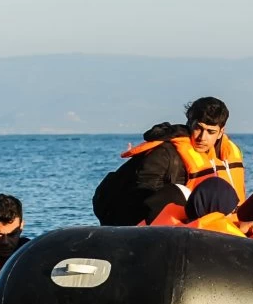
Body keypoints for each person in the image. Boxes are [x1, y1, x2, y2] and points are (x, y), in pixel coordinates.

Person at [92, 97, 244, 226]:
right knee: (178, 192)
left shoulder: (223, 155)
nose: (202, 137)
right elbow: (141, 196)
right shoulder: (164, 153)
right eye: (198, 128)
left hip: (178, 217)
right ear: (190, 123)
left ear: (221, 132)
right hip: (124, 215)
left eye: (211, 132)